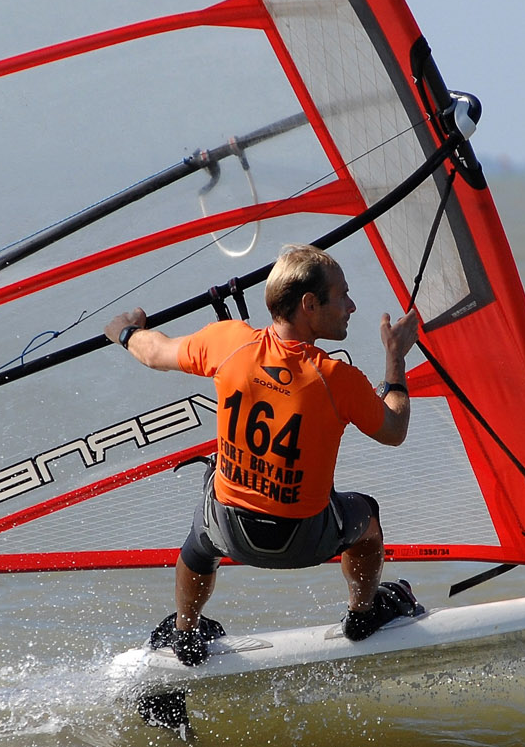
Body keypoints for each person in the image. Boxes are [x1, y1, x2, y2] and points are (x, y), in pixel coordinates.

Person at [105, 245, 425, 665]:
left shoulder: (228, 343)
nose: (351, 305)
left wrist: (126, 331)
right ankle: (363, 614)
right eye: (342, 295)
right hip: (306, 540)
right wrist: (395, 360)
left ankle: (185, 631)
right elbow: (395, 429)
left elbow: (154, 352)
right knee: (367, 516)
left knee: (201, 535)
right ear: (309, 304)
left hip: (230, 534)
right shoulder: (337, 379)